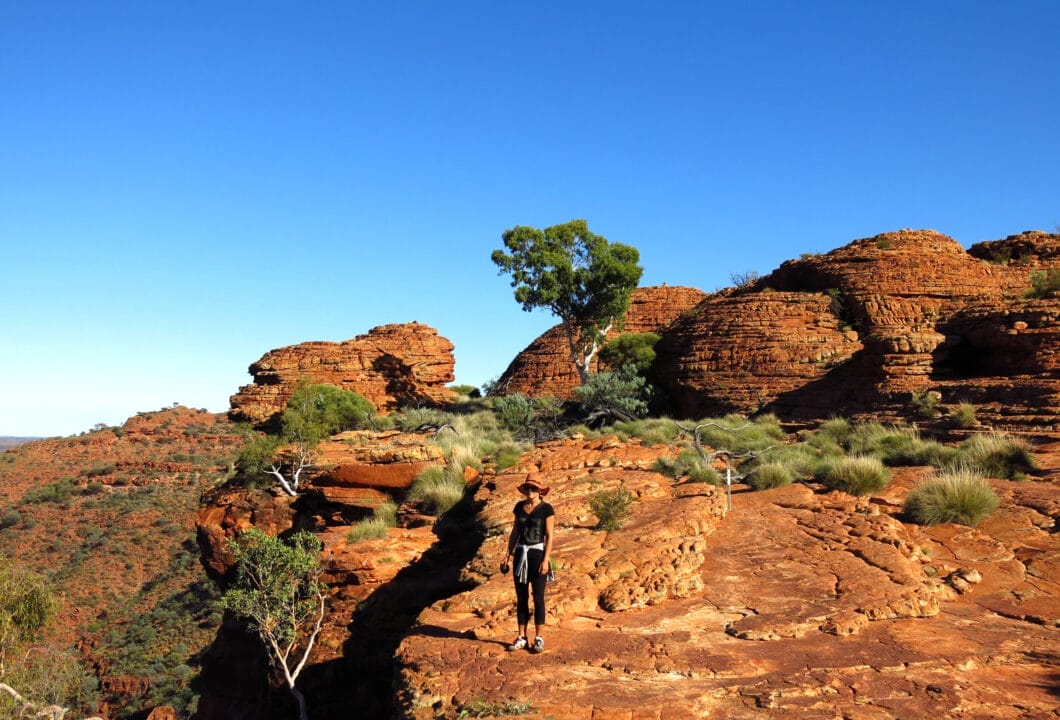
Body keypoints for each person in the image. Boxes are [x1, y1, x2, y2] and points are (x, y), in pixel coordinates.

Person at [503, 472, 555, 653]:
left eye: (534, 488)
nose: (530, 490)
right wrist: (508, 554)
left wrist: (546, 560)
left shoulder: (547, 509)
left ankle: (539, 637)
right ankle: (521, 637)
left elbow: (549, 536)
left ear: (540, 491)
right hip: (520, 554)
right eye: (528, 487)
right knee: (521, 597)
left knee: (538, 597)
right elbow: (515, 532)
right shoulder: (519, 507)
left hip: (538, 555)